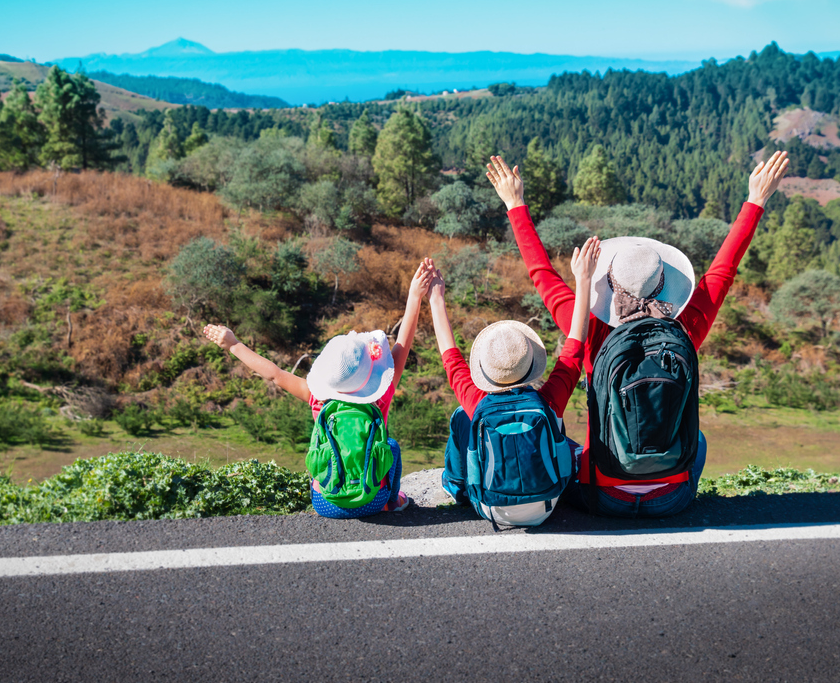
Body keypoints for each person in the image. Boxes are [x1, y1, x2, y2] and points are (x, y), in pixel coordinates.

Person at [485, 150, 790, 518]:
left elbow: (542, 274)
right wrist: (756, 199)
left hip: (603, 496)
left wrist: (515, 203)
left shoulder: (586, 326)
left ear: (610, 288)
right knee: (701, 441)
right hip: (672, 499)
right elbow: (723, 271)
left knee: (560, 439)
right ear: (665, 286)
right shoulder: (683, 329)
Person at [203, 258, 435, 517]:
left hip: (326, 503)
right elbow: (402, 344)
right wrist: (415, 296)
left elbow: (275, 375)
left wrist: (233, 344)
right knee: (390, 445)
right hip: (371, 502)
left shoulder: (316, 398)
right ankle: (391, 500)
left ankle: (331, 487)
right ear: (372, 375)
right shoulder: (379, 400)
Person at [428, 238, 598, 526]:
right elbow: (575, 345)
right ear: (531, 362)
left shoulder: (476, 401)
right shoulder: (548, 400)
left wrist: (436, 298)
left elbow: (450, 356)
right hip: (547, 503)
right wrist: (583, 279)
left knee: (461, 417)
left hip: (492, 507)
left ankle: (455, 485)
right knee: (558, 429)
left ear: (485, 369)